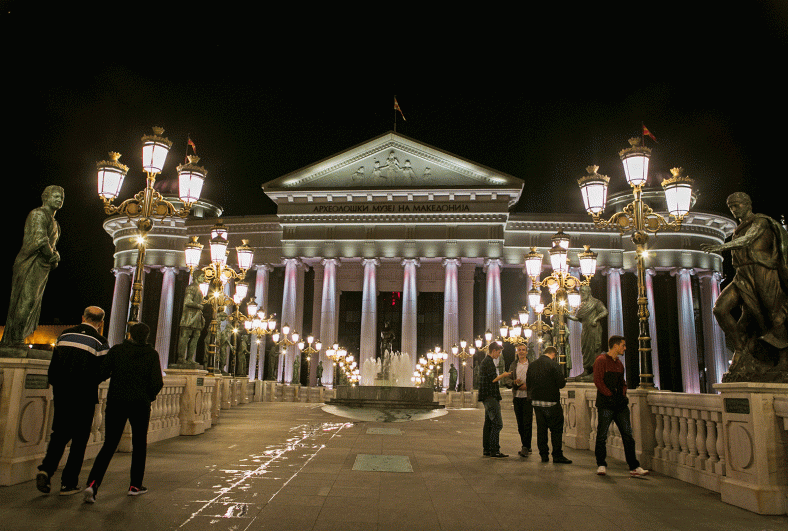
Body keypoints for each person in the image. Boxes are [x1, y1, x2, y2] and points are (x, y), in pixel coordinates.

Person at [701, 192, 788, 377]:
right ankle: (740, 348)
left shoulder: (761, 221)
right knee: (720, 309)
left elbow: (749, 239)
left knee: (772, 314)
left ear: (748, 204)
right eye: (731, 207)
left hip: (763, 271)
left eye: (737, 205)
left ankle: (783, 359)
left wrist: (721, 247)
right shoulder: (738, 229)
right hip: (743, 274)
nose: (733, 210)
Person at [83, 322, 164, 503]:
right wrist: (146, 396)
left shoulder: (117, 351)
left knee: (109, 444)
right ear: (147, 336)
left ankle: (93, 484)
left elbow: (101, 373)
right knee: (139, 445)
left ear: (130, 334)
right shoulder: (151, 354)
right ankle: (135, 485)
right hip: (140, 405)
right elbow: (157, 382)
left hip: (116, 402)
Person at [36, 306, 109, 495]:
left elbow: (54, 365)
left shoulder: (65, 335)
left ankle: (46, 469)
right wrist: (91, 382)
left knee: (59, 433)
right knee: (79, 440)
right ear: (100, 323)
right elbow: (104, 370)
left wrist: (57, 383)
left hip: (62, 393)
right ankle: (68, 483)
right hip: (84, 395)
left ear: (82, 317)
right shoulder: (100, 342)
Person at [1, 185, 64, 347]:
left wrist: (54, 256)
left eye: (61, 197)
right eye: (55, 196)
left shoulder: (55, 223)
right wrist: (52, 256)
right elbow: (40, 240)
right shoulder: (38, 214)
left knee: (33, 302)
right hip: (31, 262)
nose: (59, 200)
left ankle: (18, 337)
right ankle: (14, 340)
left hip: (42, 266)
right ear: (45, 197)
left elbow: (51, 244)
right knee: (26, 300)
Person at [593, 335, 649, 477]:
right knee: (602, 434)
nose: (624, 348)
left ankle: (634, 467)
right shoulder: (601, 360)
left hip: (620, 404)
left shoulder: (619, 364)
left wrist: (622, 394)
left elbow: (623, 383)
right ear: (616, 346)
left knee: (628, 435)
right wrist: (609, 395)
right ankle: (601, 464)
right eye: (623, 345)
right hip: (606, 404)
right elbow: (598, 381)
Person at [526, 346, 571, 464]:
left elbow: (528, 383)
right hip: (551, 402)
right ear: (554, 355)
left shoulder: (532, 365)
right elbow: (561, 384)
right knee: (556, 429)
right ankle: (557, 455)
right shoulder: (554, 365)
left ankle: (544, 455)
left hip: (536, 402)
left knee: (541, 429)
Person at [567, 285, 608, 379]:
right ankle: (586, 370)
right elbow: (577, 318)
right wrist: (567, 315)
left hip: (594, 330)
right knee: (585, 349)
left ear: (589, 293)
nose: (581, 295)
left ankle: (595, 372)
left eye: (583, 293)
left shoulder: (596, 302)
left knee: (594, 349)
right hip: (585, 330)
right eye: (581, 293)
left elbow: (604, 311)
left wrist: (596, 318)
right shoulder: (582, 305)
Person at [477, 342, 510, 458]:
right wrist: (504, 375)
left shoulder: (484, 362)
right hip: (491, 396)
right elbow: (493, 379)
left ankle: (487, 449)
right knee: (497, 423)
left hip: (486, 396)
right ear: (494, 350)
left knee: (489, 423)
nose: (499, 355)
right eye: (499, 352)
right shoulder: (489, 362)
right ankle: (494, 450)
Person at [502, 343, 532, 457]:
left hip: (528, 397)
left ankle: (525, 446)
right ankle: (527, 446)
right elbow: (508, 379)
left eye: (523, 350)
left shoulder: (531, 365)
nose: (521, 352)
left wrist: (528, 386)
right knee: (520, 423)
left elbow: (535, 379)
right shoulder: (513, 365)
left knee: (527, 422)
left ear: (526, 352)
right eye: (519, 350)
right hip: (517, 397)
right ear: (517, 352)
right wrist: (514, 383)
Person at [175, 270, 205, 366]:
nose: (204, 278)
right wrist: (199, 306)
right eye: (202, 276)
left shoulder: (198, 288)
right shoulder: (191, 287)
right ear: (196, 277)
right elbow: (187, 302)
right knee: (185, 337)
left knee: (195, 337)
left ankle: (189, 359)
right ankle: (181, 358)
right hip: (189, 316)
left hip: (196, 316)